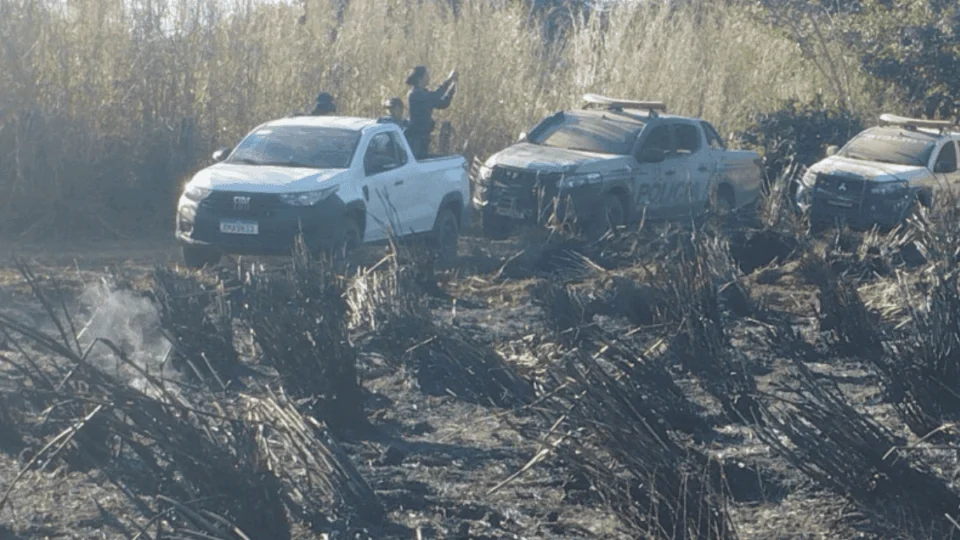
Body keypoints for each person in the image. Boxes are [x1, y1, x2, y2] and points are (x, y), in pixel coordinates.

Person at [405, 65, 457, 158]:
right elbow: (435, 96)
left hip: (424, 138)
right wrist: (448, 80)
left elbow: (443, 104)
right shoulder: (415, 94)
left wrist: (453, 86)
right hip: (416, 140)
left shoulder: (424, 93)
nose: (429, 77)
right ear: (420, 78)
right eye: (427, 75)